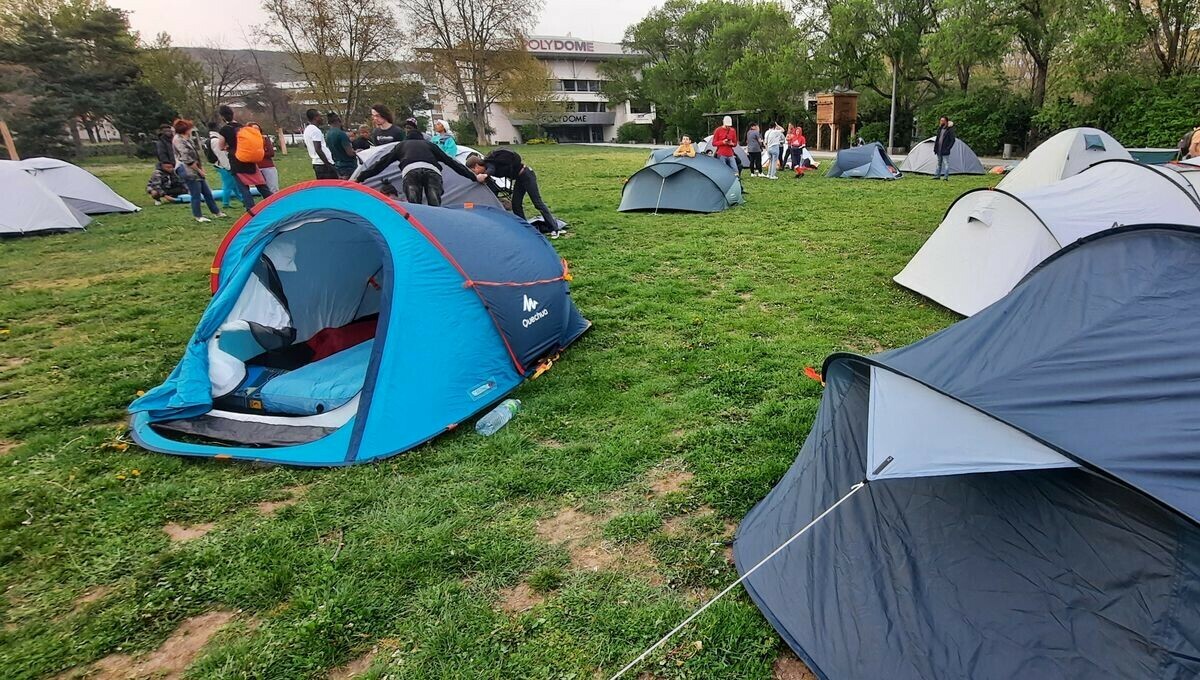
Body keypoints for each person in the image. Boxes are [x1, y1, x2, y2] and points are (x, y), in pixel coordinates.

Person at [356, 137, 478, 207]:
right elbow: (451, 162)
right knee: (434, 206)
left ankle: (419, 232)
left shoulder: (401, 146)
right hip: (432, 172)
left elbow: (381, 164)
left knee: (415, 207)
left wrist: (361, 177)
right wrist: (473, 177)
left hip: (411, 172)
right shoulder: (429, 145)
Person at [475, 148, 562, 236]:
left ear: (477, 166)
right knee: (516, 204)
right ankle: (525, 228)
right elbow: (493, 188)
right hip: (520, 179)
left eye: (474, 170)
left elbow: (491, 169)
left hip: (527, 175)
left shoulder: (489, 164)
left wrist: (485, 175)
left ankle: (554, 228)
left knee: (537, 203)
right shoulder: (489, 168)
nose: (475, 173)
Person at [216, 105, 272, 209]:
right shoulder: (242, 127)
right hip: (250, 159)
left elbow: (220, 146)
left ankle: (251, 210)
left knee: (244, 188)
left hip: (236, 161)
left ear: (222, 117)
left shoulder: (225, 130)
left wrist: (227, 147)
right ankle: (274, 204)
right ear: (233, 115)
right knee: (261, 185)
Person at [172, 118, 226, 223]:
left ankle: (216, 212)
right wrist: (198, 170)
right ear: (184, 129)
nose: (191, 130)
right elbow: (186, 158)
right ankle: (198, 216)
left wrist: (200, 168)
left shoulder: (187, 138)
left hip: (195, 168)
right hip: (187, 170)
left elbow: (195, 155)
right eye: (189, 128)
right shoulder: (178, 140)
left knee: (207, 192)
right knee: (195, 194)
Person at [206, 121, 240, 210]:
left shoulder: (212, 139)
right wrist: (228, 167)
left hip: (220, 165)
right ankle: (225, 203)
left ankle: (242, 199)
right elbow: (221, 155)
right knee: (228, 185)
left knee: (234, 184)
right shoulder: (216, 140)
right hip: (223, 165)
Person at [302, 109, 338, 180]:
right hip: (323, 164)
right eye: (320, 116)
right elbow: (318, 149)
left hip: (317, 164)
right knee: (332, 188)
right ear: (315, 117)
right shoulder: (315, 130)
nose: (322, 118)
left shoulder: (307, 129)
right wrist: (328, 165)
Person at [325, 113, 357, 179]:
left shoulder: (327, 134)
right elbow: (350, 153)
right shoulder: (341, 134)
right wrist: (357, 152)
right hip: (348, 166)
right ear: (338, 120)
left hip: (337, 166)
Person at [251, 123, 279, 193]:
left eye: (257, 129)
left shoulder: (265, 139)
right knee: (263, 190)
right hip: (255, 168)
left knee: (273, 188)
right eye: (253, 129)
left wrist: (258, 153)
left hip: (268, 167)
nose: (256, 131)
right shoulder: (248, 142)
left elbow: (271, 153)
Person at [933, 116, 956, 181]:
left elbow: (953, 140)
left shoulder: (949, 130)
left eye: (942, 120)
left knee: (946, 163)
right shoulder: (940, 129)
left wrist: (948, 148)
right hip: (939, 149)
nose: (941, 122)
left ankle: (945, 177)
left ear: (946, 121)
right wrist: (935, 148)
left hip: (945, 150)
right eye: (940, 120)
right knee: (939, 163)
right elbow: (937, 139)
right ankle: (937, 176)